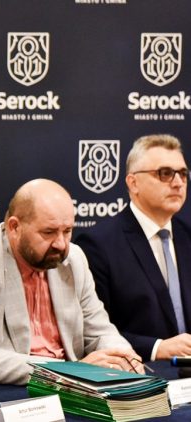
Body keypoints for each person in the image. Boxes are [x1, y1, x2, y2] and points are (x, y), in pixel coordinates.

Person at [0, 179, 142, 391]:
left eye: (67, 231)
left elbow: (100, 331)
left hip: (63, 389)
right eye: (48, 232)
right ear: (14, 227)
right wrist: (76, 370)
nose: (61, 244)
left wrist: (125, 358)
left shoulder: (73, 259)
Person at [75, 134, 191, 362]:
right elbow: (92, 332)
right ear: (133, 183)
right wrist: (157, 348)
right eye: (165, 173)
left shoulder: (188, 235)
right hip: (140, 371)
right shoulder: (98, 245)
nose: (178, 183)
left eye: (183, 174)